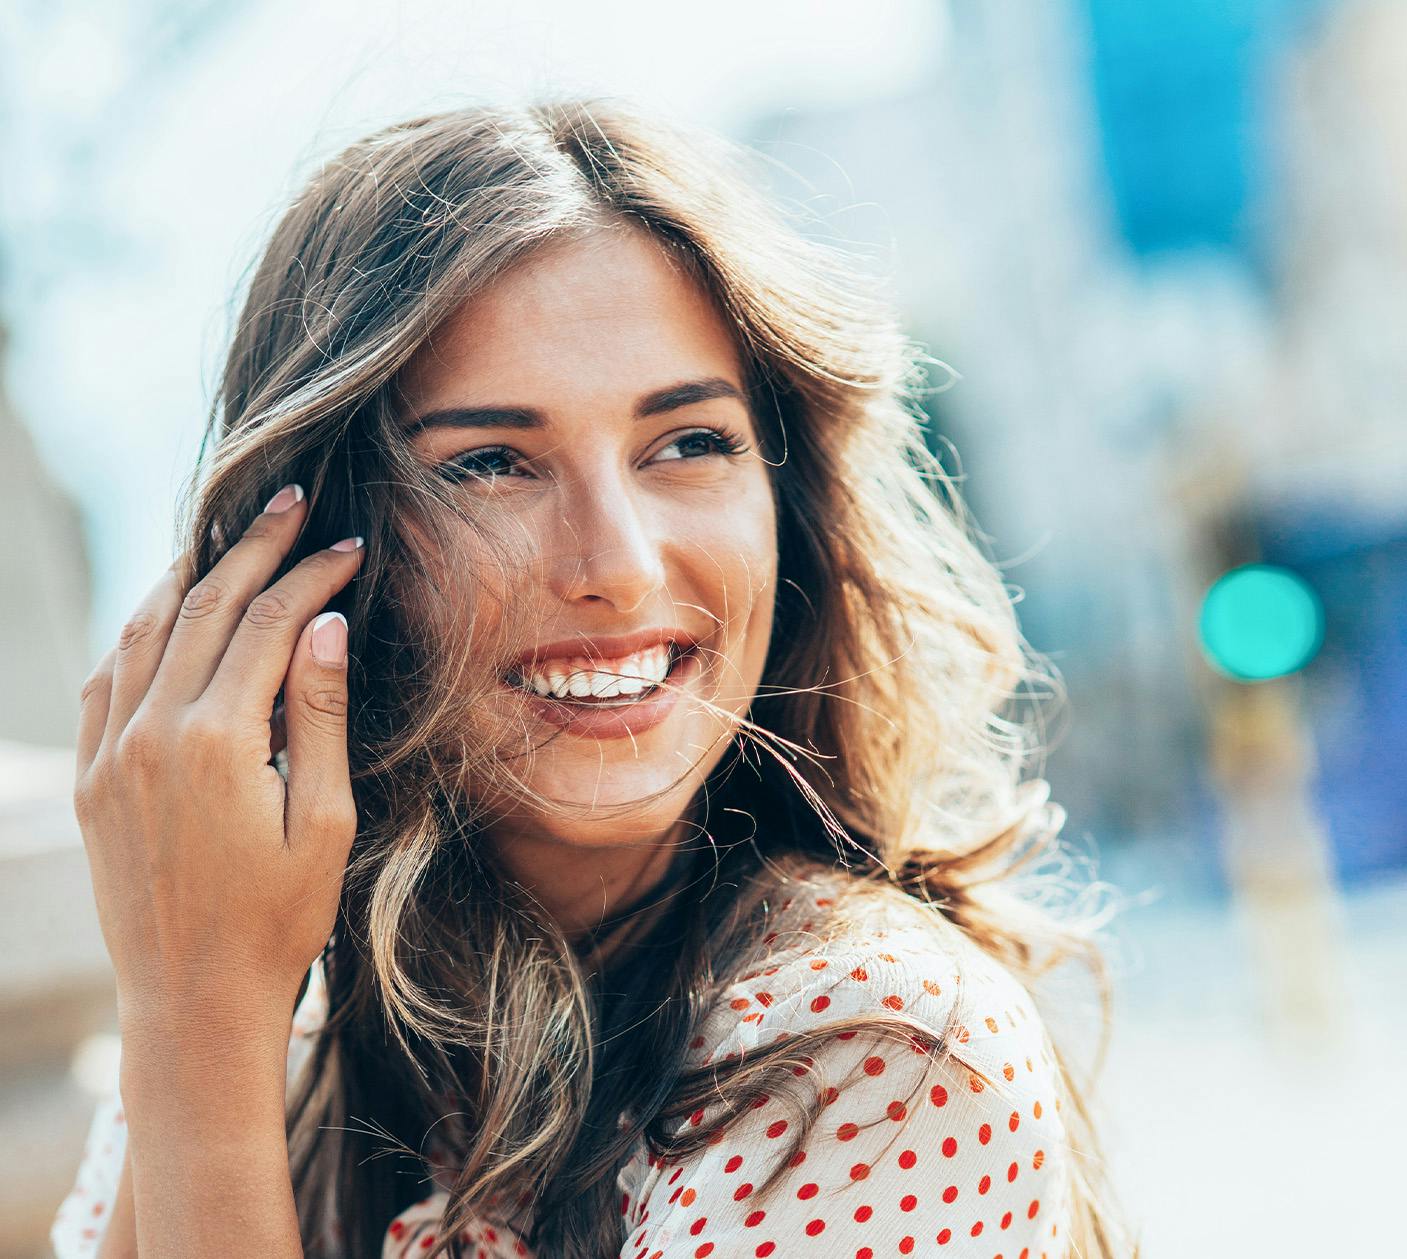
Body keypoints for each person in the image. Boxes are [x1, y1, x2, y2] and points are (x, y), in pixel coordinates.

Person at [51, 97, 1139, 1258]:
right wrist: (200, 1008)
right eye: (491, 464)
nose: (618, 566)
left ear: (788, 503)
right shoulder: (274, 1027)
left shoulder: (883, 1058)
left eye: (688, 442)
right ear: (314, 553)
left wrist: (199, 1025)